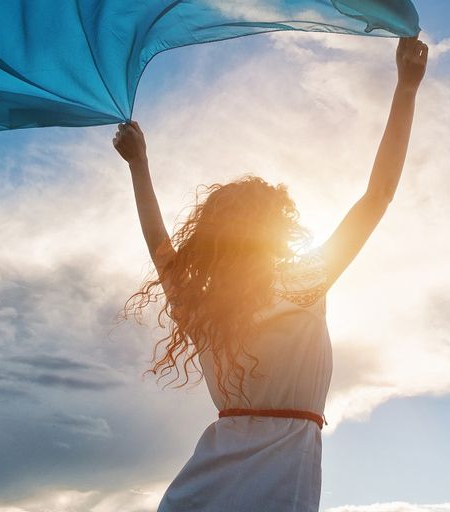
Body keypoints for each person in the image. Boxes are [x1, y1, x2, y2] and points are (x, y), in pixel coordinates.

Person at [112, 35, 428, 511]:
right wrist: (406, 89)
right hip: (278, 487)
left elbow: (162, 253)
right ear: (277, 231)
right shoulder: (303, 282)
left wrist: (139, 166)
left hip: (201, 489)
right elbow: (377, 195)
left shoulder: (208, 312)